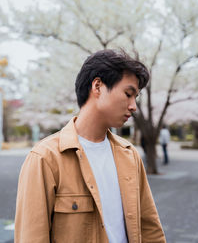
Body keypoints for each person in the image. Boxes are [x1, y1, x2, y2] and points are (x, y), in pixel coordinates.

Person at [15, 49, 166, 243]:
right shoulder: (45, 158)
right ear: (97, 86)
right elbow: (31, 237)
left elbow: (150, 229)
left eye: (135, 98)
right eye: (128, 94)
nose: (133, 106)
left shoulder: (129, 155)